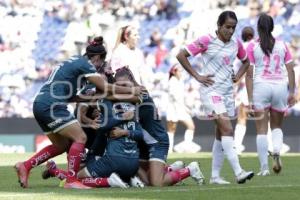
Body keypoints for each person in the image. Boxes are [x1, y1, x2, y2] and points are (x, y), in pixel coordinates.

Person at [14, 36, 143, 189]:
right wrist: (132, 90)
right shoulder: (86, 65)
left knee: (61, 145)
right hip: (52, 105)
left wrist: (91, 99)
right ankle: (71, 181)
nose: (98, 68)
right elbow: (107, 88)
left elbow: (73, 97)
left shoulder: (73, 62)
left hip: (40, 103)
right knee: (80, 137)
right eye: (100, 63)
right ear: (96, 58)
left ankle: (26, 165)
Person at [110, 25, 205, 187]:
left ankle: (189, 170)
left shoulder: (139, 96)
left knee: (156, 182)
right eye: (135, 34)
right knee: (143, 181)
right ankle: (170, 169)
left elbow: (133, 124)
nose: (139, 37)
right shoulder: (129, 85)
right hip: (144, 145)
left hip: (156, 143)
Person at [177, 10, 254, 184]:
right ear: (219, 26)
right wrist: (197, 75)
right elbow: (181, 55)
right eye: (227, 27)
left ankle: (215, 176)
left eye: (233, 27)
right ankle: (238, 171)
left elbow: (247, 62)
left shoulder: (236, 43)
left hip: (227, 92)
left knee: (221, 133)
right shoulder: (206, 40)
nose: (230, 31)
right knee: (227, 129)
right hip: (211, 91)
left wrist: (238, 76)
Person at [245, 13, 296, 175]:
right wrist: (292, 92)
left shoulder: (252, 46)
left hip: (261, 86)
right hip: (280, 86)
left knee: (261, 129)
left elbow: (249, 74)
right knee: (277, 127)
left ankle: (264, 168)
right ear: (272, 27)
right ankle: (276, 150)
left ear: (258, 28)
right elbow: (290, 69)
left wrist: (250, 99)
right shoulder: (282, 45)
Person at [166, 64, 201, 153]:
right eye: (180, 71)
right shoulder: (172, 82)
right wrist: (185, 108)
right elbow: (175, 98)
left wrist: (185, 107)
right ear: (174, 72)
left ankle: (185, 146)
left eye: (182, 71)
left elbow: (181, 97)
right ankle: (169, 150)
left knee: (191, 126)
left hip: (180, 108)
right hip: (173, 109)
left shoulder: (180, 81)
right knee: (171, 129)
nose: (181, 73)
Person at [234, 26, 255, 154]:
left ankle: (237, 145)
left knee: (242, 116)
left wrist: (235, 87)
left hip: (247, 85)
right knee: (265, 118)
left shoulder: (241, 48)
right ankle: (271, 146)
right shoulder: (259, 46)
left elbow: (242, 69)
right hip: (261, 85)